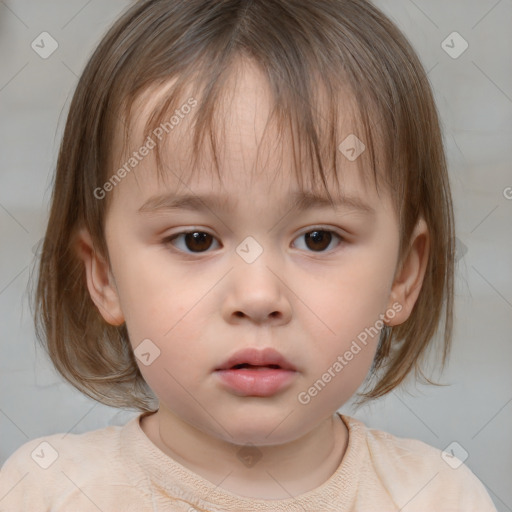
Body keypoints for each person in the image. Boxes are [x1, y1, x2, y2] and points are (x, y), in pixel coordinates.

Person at [0, 0, 497, 510]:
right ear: (102, 274)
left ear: (404, 276)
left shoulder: (438, 496)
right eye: (196, 240)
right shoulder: (45, 492)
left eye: (319, 238)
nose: (258, 297)